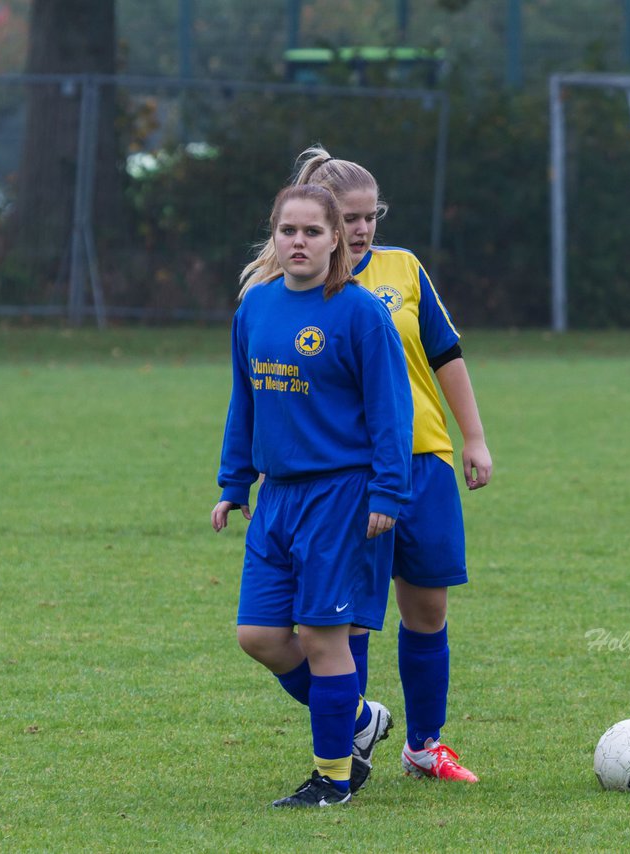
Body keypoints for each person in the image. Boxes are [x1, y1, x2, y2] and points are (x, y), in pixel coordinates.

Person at [246, 145, 493, 783]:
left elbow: (445, 353)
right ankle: (350, 734)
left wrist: (473, 437)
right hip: (349, 475)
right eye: (349, 217)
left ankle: (424, 744)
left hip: (423, 461)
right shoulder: (300, 286)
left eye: (370, 215)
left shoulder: (404, 270)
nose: (361, 229)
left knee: (428, 608)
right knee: (344, 617)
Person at [212, 183, 413, 808]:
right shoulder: (256, 307)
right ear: (274, 235)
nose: (299, 242)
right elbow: (244, 402)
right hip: (275, 498)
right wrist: (233, 481)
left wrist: (387, 491)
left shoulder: (359, 314)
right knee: (259, 636)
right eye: (288, 231)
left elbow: (391, 413)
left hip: (340, 496)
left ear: (336, 243)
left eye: (313, 232)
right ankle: (356, 717)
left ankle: (332, 778)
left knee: (324, 638)